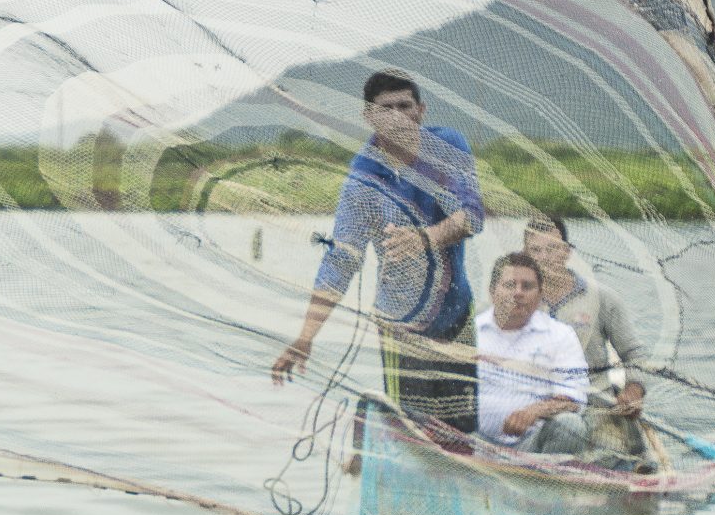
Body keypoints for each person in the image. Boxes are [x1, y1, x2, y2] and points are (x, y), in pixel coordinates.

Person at [270, 72, 484, 432]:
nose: (398, 115)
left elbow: (473, 216)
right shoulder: (363, 180)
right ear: (369, 116)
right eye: (387, 108)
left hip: (457, 314)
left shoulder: (447, 147)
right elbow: (341, 261)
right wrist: (306, 337)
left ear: (421, 110)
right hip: (399, 324)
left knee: (462, 427)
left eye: (406, 106)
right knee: (412, 431)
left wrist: (426, 237)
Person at [523, 214, 649, 460]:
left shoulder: (602, 298)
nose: (544, 257)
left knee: (619, 460)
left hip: (597, 407)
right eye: (535, 250)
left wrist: (634, 389)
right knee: (567, 429)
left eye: (552, 248)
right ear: (524, 255)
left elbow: (634, 354)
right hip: (539, 412)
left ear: (567, 252)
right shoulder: (515, 303)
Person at [474, 251, 587, 453]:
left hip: (530, 448)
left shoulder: (561, 335)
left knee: (572, 426)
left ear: (540, 295)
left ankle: (543, 481)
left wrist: (533, 412)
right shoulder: (469, 333)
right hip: (471, 441)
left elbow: (574, 399)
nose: (518, 293)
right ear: (492, 291)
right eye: (509, 285)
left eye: (527, 286)